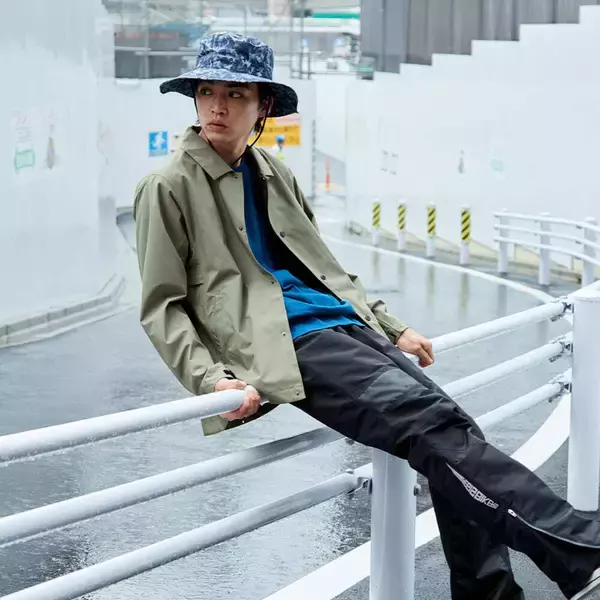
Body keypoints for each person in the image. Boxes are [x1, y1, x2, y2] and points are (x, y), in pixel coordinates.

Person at [133, 32, 600, 600]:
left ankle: (496, 592)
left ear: (263, 107)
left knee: (454, 432)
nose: (217, 106)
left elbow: (324, 267)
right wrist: (210, 379)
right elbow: (162, 305)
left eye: (236, 94)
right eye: (207, 91)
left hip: (341, 326)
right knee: (433, 429)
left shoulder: (272, 172)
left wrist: (389, 325)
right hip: (288, 345)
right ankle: (578, 551)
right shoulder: (167, 187)